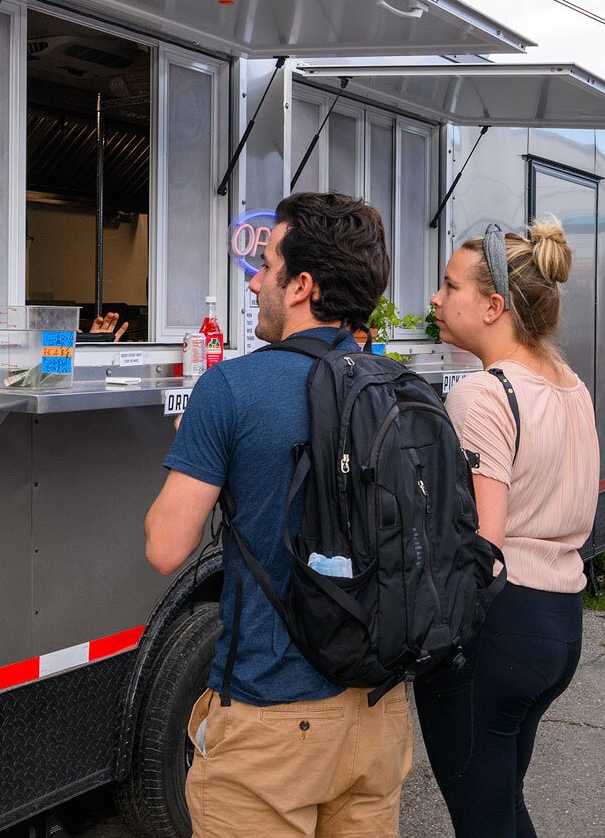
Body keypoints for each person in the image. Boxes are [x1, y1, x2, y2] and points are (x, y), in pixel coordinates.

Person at [143, 192, 412, 836]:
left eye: (266, 265)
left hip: (272, 716)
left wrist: (203, 447)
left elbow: (165, 547)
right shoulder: (398, 387)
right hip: (380, 714)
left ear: (302, 286)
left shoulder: (230, 388)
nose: (255, 281)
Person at [419, 217, 598, 838]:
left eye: (450, 287)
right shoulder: (571, 387)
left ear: (493, 306)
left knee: (486, 820)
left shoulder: (482, 394)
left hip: (495, 628)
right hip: (560, 622)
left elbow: (483, 545)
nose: (436, 300)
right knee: (501, 809)